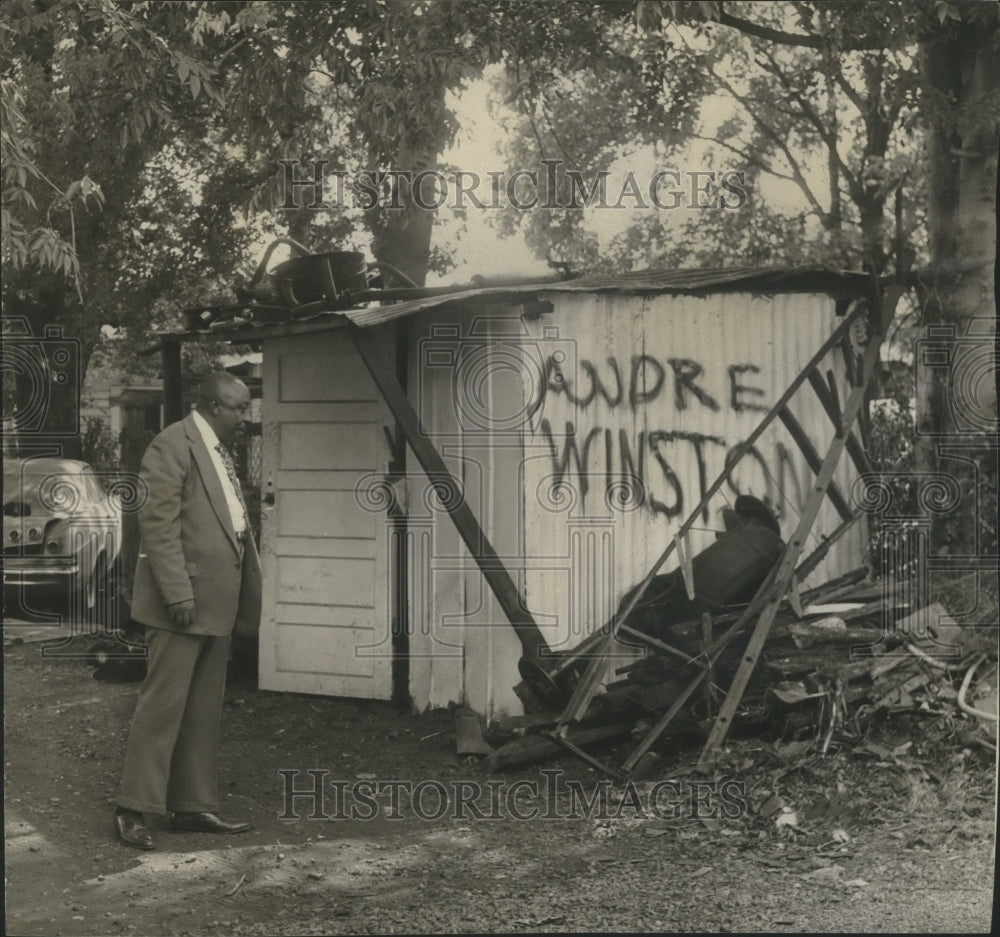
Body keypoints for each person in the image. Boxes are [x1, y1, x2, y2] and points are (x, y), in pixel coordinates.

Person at [113, 371, 261, 850]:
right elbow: (156, 524)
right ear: (214, 405)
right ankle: (132, 808)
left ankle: (192, 806)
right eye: (239, 408)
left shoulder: (218, 448)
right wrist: (176, 591)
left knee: (201, 710)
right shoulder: (172, 444)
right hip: (182, 601)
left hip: (216, 599)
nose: (246, 417)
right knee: (162, 706)